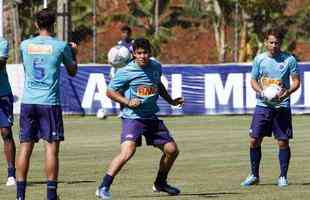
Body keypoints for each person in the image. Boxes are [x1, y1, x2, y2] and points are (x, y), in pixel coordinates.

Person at [96, 38, 184, 199]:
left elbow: (158, 84)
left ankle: (160, 183)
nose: (143, 56)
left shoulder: (156, 66)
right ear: (133, 54)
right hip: (133, 118)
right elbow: (110, 92)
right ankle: (103, 187)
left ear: (150, 52)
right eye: (139, 53)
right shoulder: (126, 71)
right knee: (128, 151)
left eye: (145, 53)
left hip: (151, 117)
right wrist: (127, 102)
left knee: (172, 150)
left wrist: (171, 100)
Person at [16, 8, 78, 200]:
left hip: (28, 101)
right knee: (51, 149)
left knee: (25, 148)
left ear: (36, 24)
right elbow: (72, 71)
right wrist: (74, 53)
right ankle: (51, 196)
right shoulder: (60, 46)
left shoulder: (24, 45)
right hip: (49, 103)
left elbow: (27, 68)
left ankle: (20, 196)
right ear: (54, 24)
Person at [240, 28, 300, 187]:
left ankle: (282, 176)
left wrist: (286, 93)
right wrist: (261, 92)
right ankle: (254, 175)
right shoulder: (259, 59)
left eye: (277, 43)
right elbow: (253, 80)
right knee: (254, 140)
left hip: (282, 106)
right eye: (271, 42)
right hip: (263, 106)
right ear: (266, 42)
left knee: (283, 142)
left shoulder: (289, 60)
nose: (274, 45)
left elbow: (296, 82)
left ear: (281, 43)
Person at [0, 37, 17, 186]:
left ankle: (11, 174)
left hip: (3, 94)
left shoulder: (2, 42)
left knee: (6, 132)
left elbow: (1, 63)